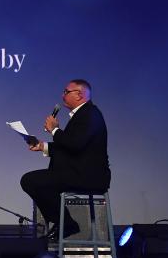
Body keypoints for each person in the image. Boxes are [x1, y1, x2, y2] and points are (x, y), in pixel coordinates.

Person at [21, 79, 111, 240]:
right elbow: (69, 147)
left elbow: (74, 145)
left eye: (66, 92)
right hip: (77, 172)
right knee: (34, 181)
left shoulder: (90, 114)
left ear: (79, 94)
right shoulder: (82, 115)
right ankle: (63, 223)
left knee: (32, 180)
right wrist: (43, 146)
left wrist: (54, 129)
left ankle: (65, 224)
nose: (63, 96)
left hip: (88, 176)